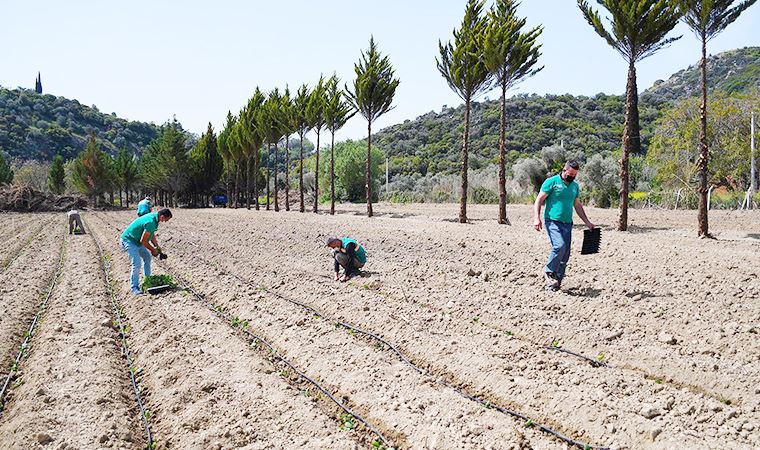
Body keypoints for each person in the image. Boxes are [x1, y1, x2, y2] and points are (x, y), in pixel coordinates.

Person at [534, 160, 594, 291]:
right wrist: (536, 218)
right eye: (571, 173)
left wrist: (587, 222)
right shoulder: (552, 182)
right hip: (552, 221)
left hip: (567, 223)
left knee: (565, 253)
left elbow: (577, 205)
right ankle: (549, 272)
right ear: (564, 170)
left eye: (575, 174)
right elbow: (539, 199)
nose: (572, 176)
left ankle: (555, 283)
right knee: (559, 246)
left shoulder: (574, 186)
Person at [120, 208, 172, 295]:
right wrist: (153, 250)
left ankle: (148, 280)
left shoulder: (154, 218)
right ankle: (134, 288)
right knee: (136, 264)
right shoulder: (151, 222)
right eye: (166, 219)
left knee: (147, 257)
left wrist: (156, 246)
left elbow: (151, 235)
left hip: (136, 241)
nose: (165, 222)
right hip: (129, 240)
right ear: (162, 216)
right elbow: (143, 241)